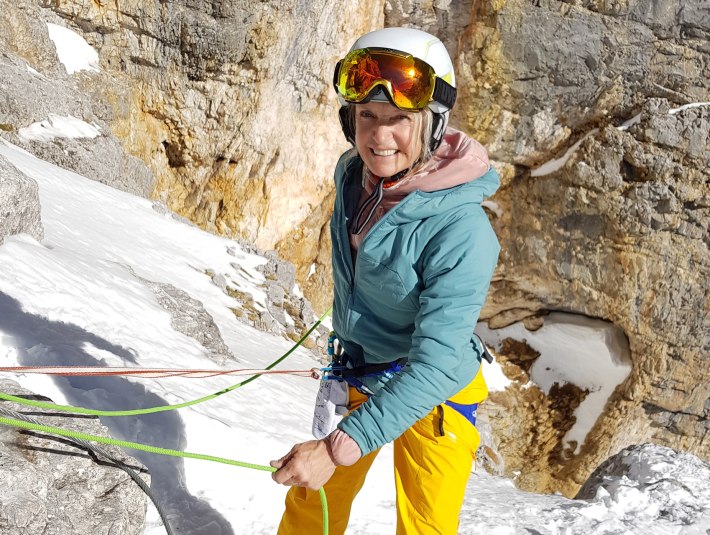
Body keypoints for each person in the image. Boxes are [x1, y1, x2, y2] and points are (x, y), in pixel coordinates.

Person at [270, 26, 500, 534]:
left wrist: (336, 448)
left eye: (399, 119)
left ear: (433, 124)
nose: (379, 136)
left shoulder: (464, 231)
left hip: (433, 390)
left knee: (425, 528)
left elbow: (436, 364)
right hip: (362, 366)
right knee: (313, 503)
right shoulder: (353, 176)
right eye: (367, 116)